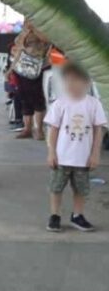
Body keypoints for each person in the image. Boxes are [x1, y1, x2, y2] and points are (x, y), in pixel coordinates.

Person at [44, 63, 104, 232]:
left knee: (80, 188)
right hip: (61, 157)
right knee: (56, 187)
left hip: (83, 158)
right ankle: (55, 215)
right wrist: (51, 152)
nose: (71, 85)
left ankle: (77, 215)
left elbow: (98, 130)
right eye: (68, 81)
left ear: (87, 82)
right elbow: (53, 130)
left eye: (76, 81)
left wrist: (95, 154)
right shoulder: (60, 104)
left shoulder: (94, 105)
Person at [8, 20, 52, 140]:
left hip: (38, 67)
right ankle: (27, 128)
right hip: (21, 67)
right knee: (24, 97)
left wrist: (34, 29)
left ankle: (39, 129)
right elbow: (19, 50)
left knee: (37, 97)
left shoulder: (44, 28)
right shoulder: (24, 31)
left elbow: (47, 40)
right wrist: (11, 69)